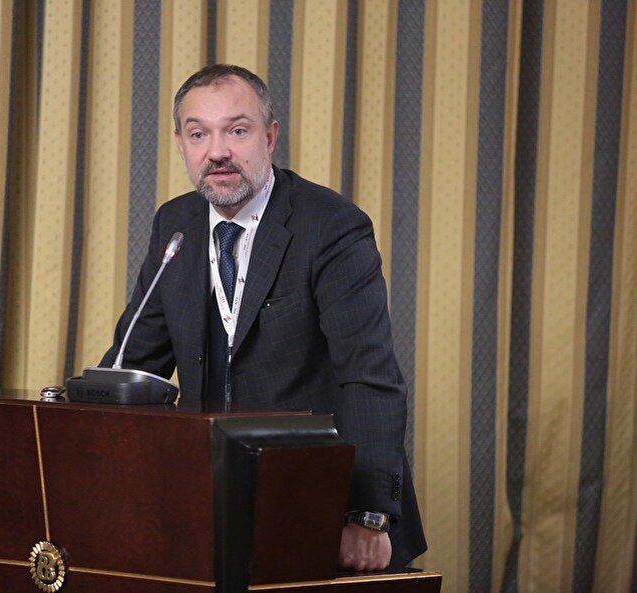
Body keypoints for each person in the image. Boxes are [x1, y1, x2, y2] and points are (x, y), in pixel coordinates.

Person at [101, 64, 426, 570]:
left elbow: (369, 377)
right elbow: (133, 366)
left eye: (237, 130)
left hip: (323, 505)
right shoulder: (176, 224)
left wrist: (368, 515)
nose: (217, 151)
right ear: (181, 145)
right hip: (211, 507)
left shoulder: (332, 227)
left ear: (269, 137)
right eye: (198, 134)